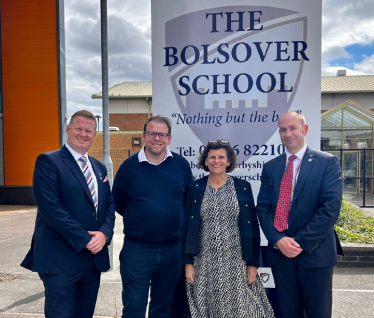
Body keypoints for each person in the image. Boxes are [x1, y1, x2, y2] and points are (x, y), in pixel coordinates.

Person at [21, 110, 116, 318]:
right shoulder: (48, 161)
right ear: (68, 130)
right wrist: (86, 239)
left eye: (89, 131)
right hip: (60, 259)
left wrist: (104, 234)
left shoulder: (99, 168)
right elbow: (51, 209)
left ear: (94, 134)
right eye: (79, 129)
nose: (83, 134)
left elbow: (109, 205)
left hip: (92, 260)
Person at [257, 111, 343, 317]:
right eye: (283, 129)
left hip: (315, 254)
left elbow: (330, 207)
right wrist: (278, 240)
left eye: (293, 128)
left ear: (304, 130)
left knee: (317, 313)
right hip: (281, 256)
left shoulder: (327, 162)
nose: (288, 134)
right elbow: (263, 207)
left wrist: (299, 242)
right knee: (287, 313)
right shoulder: (271, 167)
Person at [182, 140, 274, 318]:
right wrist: (187, 263)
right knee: (206, 308)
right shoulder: (195, 188)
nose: (217, 161)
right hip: (204, 262)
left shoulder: (242, 187)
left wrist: (253, 264)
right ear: (206, 161)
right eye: (212, 157)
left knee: (243, 310)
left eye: (221, 157)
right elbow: (186, 227)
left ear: (229, 161)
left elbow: (253, 228)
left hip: (236, 262)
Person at [112, 115, 193, 318]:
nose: (157, 138)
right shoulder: (128, 167)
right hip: (137, 249)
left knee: (163, 308)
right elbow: (119, 202)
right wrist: (144, 219)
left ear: (169, 138)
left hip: (172, 251)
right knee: (133, 308)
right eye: (152, 133)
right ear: (144, 136)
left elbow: (187, 202)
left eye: (161, 134)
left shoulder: (181, 165)